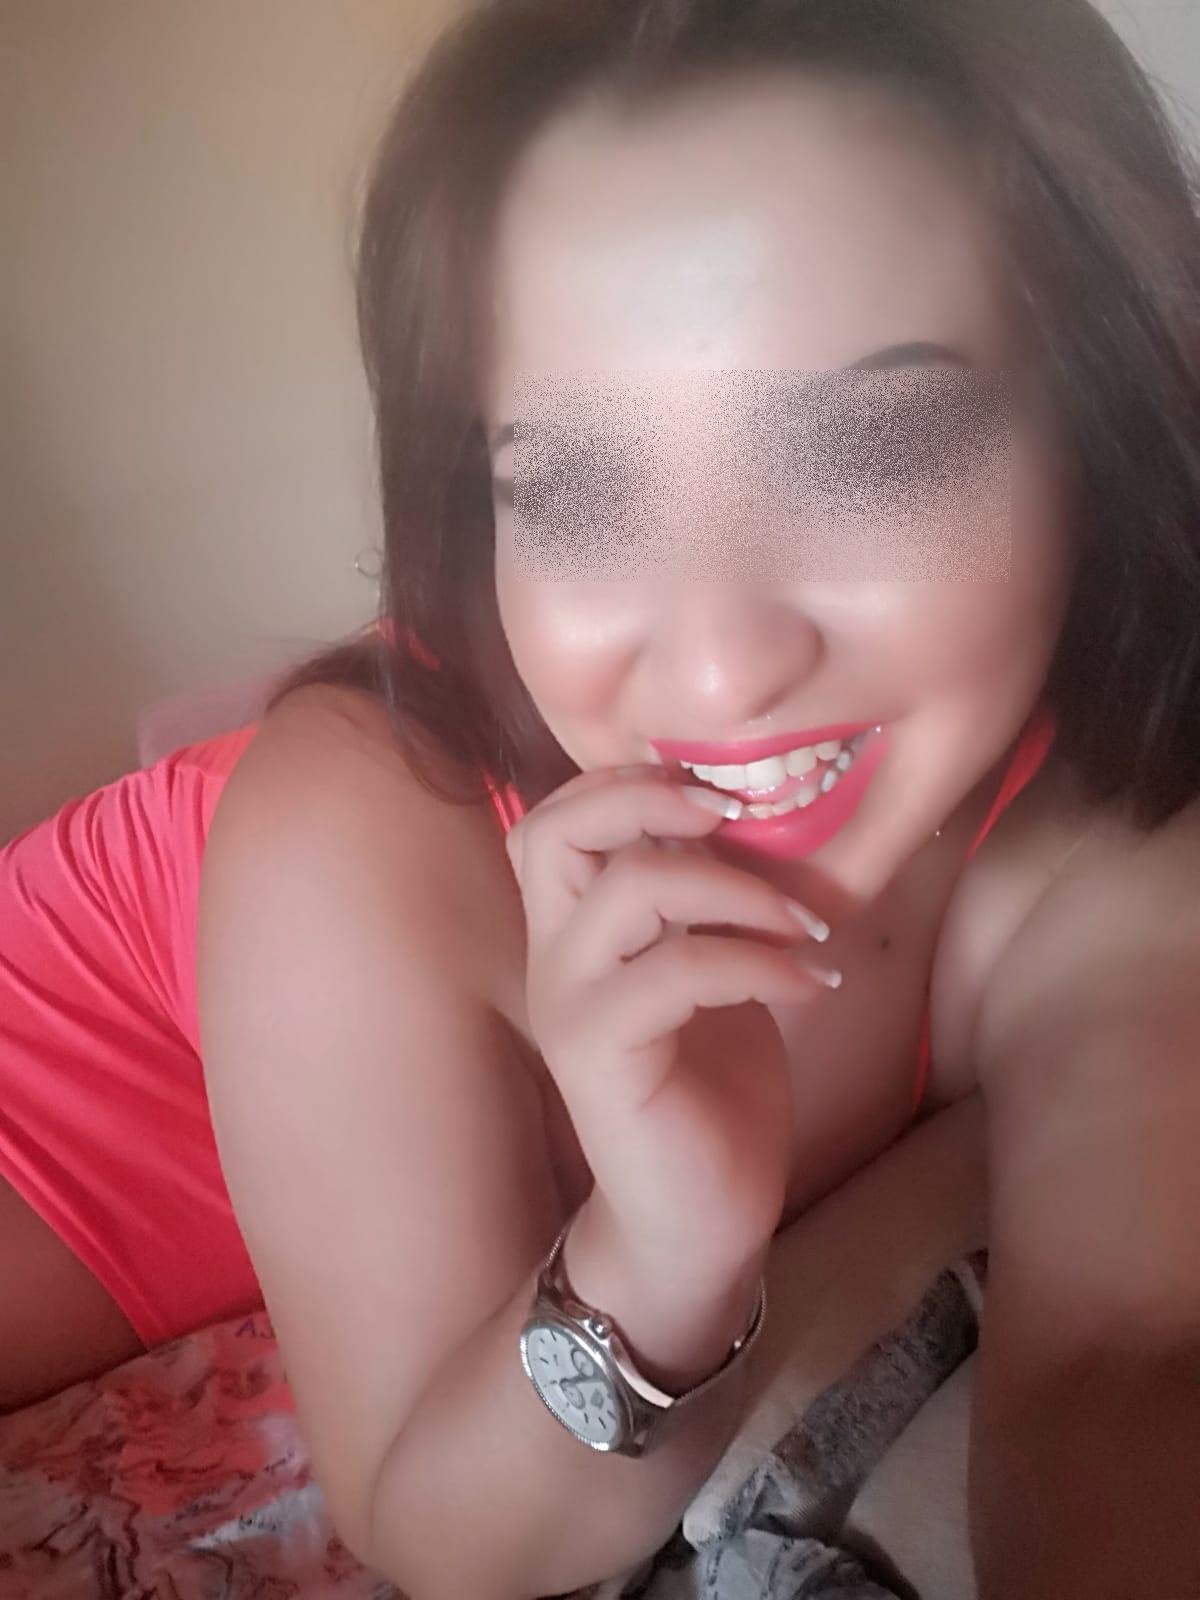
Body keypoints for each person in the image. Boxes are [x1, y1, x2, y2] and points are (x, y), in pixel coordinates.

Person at [2, 0, 1199, 1595]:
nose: (716, 665)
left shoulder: (1090, 851)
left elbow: (1132, 1357)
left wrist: (718, 1230)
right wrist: (652, 1267)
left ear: (1096, 432)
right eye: (576, 484)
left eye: (867, 451)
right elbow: (434, 1528)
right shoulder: (363, 823)